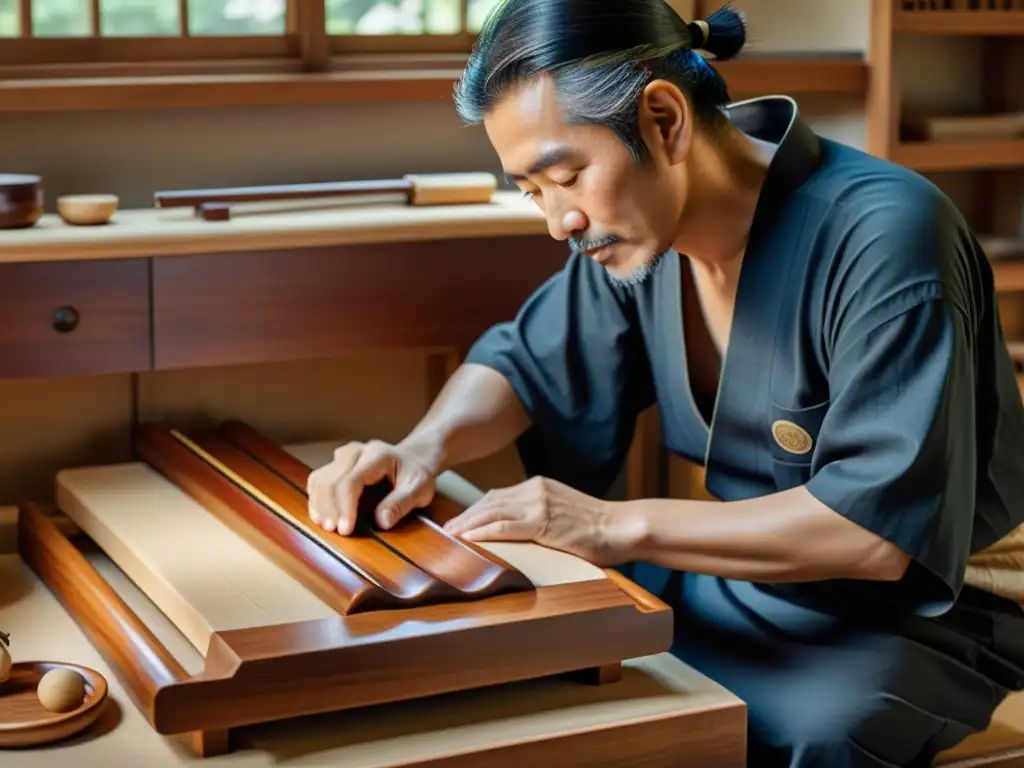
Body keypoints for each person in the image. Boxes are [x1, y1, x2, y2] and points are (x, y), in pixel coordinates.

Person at [307, 1, 1024, 765]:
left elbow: (875, 531)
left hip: (927, 611)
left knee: (806, 734)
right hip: (753, 583)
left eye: (566, 176)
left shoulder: (887, 235)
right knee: (554, 653)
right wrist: (422, 450)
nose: (558, 220)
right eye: (532, 190)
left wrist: (614, 525)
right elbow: (525, 362)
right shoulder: (642, 235)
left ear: (664, 119)